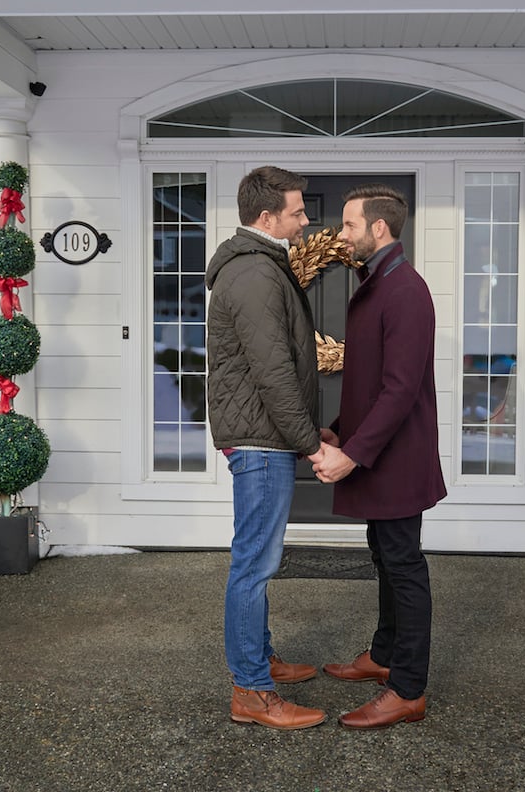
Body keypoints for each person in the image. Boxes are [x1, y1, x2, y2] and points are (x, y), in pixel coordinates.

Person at [313, 183, 447, 729]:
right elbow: (369, 384)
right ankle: (385, 654)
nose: (340, 235)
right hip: (379, 454)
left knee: (404, 565)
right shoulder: (378, 283)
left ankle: (408, 688)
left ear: (379, 228)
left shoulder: (406, 290)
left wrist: (353, 455)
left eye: (348, 225)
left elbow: (400, 390)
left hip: (399, 458)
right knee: (384, 556)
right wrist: (342, 431)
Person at [205, 165, 329, 730]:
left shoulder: (259, 266)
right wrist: (309, 442)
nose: (306, 220)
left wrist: (309, 430)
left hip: (264, 435)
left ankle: (261, 661)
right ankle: (250, 691)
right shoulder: (255, 273)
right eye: (298, 211)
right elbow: (273, 370)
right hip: (260, 440)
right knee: (254, 565)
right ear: (266, 217)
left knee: (256, 560)